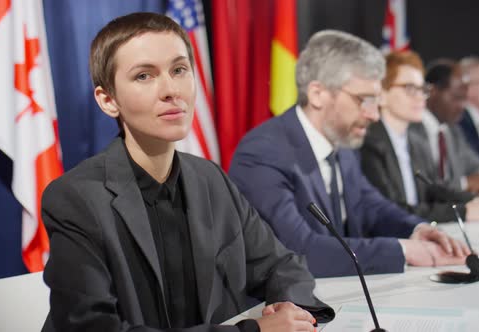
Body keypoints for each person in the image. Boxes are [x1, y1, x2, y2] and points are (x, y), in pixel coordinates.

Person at [41, 12, 334, 332]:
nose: (171, 90)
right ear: (108, 100)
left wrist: (293, 308)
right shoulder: (75, 197)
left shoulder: (211, 179)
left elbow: (283, 266)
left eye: (179, 70)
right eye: (144, 76)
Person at [229, 30, 469, 278]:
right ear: (317, 94)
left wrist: (416, 229)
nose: (374, 115)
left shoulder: (341, 143)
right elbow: (297, 251)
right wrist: (403, 250)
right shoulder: (262, 153)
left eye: (376, 101)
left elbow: (370, 205)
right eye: (364, 100)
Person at [360, 51, 479, 223]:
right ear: (382, 95)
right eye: (410, 89)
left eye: (422, 89)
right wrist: (464, 211)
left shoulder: (416, 142)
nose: (420, 97)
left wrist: (477, 201)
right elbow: (391, 211)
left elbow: (435, 191)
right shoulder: (368, 143)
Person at [417, 59, 479, 194]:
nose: (463, 106)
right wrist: (465, 183)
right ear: (432, 92)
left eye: (464, 99)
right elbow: (424, 186)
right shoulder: (413, 130)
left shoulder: (452, 131)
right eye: (457, 98)